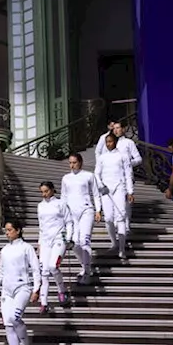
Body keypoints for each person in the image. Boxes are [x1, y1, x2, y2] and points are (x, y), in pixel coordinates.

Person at [60, 153, 101, 284]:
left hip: (86, 210)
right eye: (70, 163)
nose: (72, 165)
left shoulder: (88, 175)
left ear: (80, 162)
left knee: (84, 240)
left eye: (74, 162)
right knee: (74, 243)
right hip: (72, 213)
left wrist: (98, 210)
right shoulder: (66, 178)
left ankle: (87, 273)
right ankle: (85, 266)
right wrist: (61, 213)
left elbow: (95, 193)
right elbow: (63, 196)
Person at [95, 134, 135, 259]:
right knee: (108, 218)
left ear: (115, 142)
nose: (108, 144)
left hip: (119, 187)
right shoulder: (102, 158)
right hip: (106, 190)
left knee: (121, 217)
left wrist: (130, 192)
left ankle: (122, 249)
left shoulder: (123, 156)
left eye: (111, 141)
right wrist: (101, 185)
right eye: (107, 142)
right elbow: (96, 174)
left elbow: (128, 174)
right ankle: (114, 243)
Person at [35, 181, 72, 312]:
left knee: (53, 266)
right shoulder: (40, 206)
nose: (44, 194)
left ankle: (62, 291)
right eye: (42, 192)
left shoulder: (61, 203)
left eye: (46, 191)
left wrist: (68, 238)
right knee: (44, 271)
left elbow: (69, 222)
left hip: (58, 238)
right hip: (45, 241)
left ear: (52, 190)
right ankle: (44, 303)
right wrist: (39, 242)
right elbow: (41, 226)